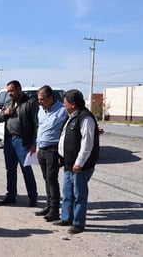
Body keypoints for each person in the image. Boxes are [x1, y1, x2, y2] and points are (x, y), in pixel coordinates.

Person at [53, 89, 100, 235]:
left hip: (80, 166)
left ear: (73, 104)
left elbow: (87, 144)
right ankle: (66, 217)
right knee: (67, 192)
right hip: (68, 164)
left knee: (79, 194)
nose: (63, 105)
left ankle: (78, 223)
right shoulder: (71, 116)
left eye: (65, 102)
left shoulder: (85, 118)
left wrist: (79, 163)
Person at [0, 80, 38, 207]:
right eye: (8, 91)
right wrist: (5, 113)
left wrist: (34, 143)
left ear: (19, 89)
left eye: (12, 90)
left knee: (26, 169)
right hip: (9, 140)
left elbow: (36, 124)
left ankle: (32, 197)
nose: (10, 93)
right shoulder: (8, 103)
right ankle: (11, 196)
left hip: (23, 141)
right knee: (10, 170)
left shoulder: (30, 102)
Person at [35, 85, 67, 221]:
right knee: (46, 179)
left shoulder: (63, 110)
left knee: (52, 179)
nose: (40, 102)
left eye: (42, 99)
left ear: (51, 98)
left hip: (53, 150)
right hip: (42, 149)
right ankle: (48, 206)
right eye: (38, 99)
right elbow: (40, 128)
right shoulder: (41, 111)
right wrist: (37, 147)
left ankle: (54, 210)